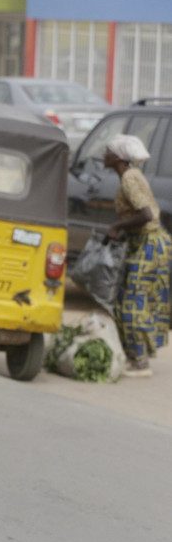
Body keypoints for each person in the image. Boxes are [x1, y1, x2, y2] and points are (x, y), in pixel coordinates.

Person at [103, 134, 171, 378]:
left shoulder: (130, 178)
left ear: (119, 157)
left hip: (150, 245)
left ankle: (141, 363)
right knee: (126, 299)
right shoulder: (128, 177)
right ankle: (135, 355)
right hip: (146, 243)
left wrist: (118, 227)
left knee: (134, 300)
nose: (104, 154)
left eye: (108, 150)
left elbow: (146, 215)